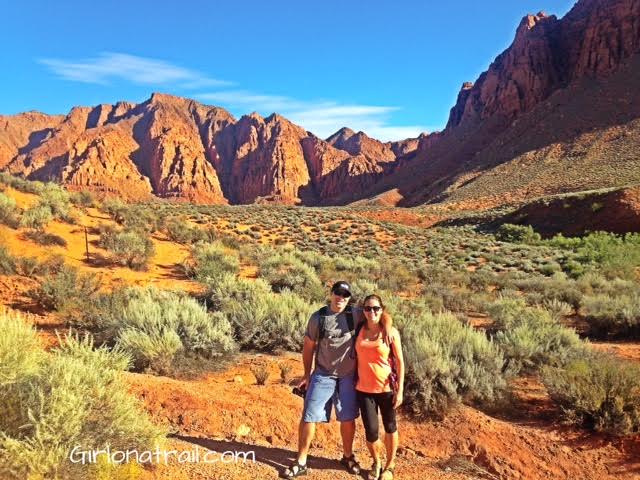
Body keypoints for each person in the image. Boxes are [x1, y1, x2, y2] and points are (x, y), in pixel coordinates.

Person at [282, 281, 393, 479]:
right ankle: (301, 460)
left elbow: (380, 313)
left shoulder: (355, 313)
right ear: (331, 293)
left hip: (348, 377)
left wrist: (388, 327)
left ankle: (348, 456)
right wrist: (307, 374)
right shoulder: (319, 318)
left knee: (348, 418)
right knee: (309, 415)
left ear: (349, 298)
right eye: (338, 293)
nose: (341, 297)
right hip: (323, 374)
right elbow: (308, 347)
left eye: (345, 294)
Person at [355, 294, 404, 480]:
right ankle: (376, 461)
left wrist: (400, 390)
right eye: (368, 308)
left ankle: (390, 466)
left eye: (376, 308)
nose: (372, 312)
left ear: (382, 310)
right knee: (371, 431)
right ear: (363, 310)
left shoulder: (390, 332)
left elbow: (400, 362)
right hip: (363, 389)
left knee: (390, 427)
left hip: (386, 389)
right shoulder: (359, 327)